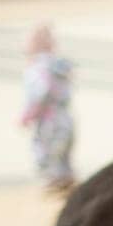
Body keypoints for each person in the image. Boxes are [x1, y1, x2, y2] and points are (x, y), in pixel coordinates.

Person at [21, 24, 76, 190]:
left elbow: (41, 92)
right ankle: (65, 178)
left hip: (48, 118)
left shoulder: (37, 68)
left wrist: (28, 114)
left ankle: (53, 181)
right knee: (63, 151)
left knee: (46, 151)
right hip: (65, 116)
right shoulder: (60, 64)